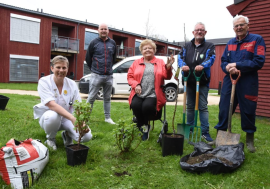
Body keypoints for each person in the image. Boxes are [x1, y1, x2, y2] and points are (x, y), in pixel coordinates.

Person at [214, 15, 266, 152]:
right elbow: (224, 60)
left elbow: (258, 61)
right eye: (236, 26)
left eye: (242, 25)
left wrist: (237, 64)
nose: (239, 28)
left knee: (248, 109)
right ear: (233, 28)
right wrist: (227, 67)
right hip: (229, 79)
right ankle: (220, 135)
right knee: (224, 107)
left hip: (248, 81)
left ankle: (249, 139)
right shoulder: (230, 42)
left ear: (248, 26)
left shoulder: (257, 40)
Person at [33, 55, 92, 150]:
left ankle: (67, 134)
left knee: (86, 136)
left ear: (67, 69)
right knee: (52, 116)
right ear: (52, 68)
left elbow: (78, 106)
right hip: (49, 118)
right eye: (58, 67)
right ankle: (50, 139)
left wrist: (81, 122)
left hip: (67, 118)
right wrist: (72, 118)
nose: (61, 70)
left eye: (64, 67)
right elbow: (51, 105)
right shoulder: (44, 81)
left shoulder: (72, 84)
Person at [127, 39, 175, 141]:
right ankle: (144, 126)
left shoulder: (160, 62)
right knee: (135, 105)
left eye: (150, 48)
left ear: (154, 50)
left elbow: (166, 76)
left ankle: (144, 127)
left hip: (153, 93)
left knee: (147, 107)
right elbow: (130, 77)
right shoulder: (136, 63)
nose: (147, 50)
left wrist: (168, 67)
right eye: (145, 48)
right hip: (139, 92)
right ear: (141, 51)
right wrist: (136, 85)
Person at [178, 22, 215, 143]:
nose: (199, 31)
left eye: (202, 30)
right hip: (188, 80)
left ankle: (205, 132)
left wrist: (202, 66)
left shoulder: (209, 46)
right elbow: (180, 58)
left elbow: (211, 58)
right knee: (189, 106)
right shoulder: (186, 46)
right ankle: (189, 128)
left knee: (202, 107)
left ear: (205, 32)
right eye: (197, 30)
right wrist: (183, 66)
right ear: (193, 32)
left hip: (202, 81)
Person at [85, 23, 117, 124]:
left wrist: (109, 68)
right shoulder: (93, 43)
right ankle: (85, 118)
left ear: (108, 31)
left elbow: (114, 58)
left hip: (108, 76)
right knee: (91, 97)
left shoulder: (112, 43)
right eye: (101, 29)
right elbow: (88, 58)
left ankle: (107, 118)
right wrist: (94, 69)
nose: (103, 31)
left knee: (107, 98)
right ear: (98, 30)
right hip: (96, 75)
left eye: (105, 29)